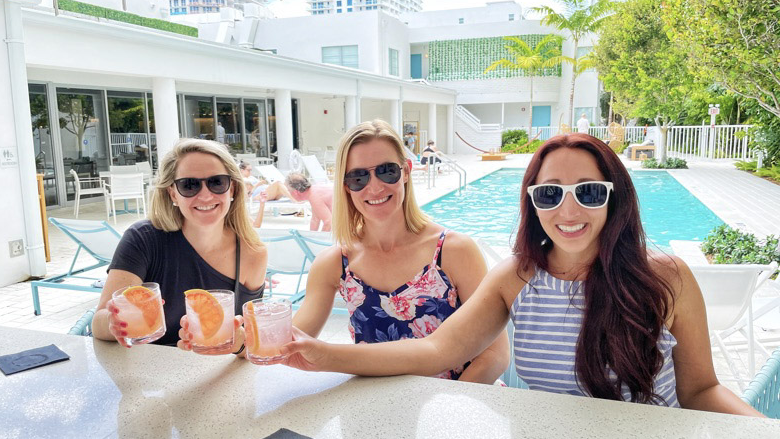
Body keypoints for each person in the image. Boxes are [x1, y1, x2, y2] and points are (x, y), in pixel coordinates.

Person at [277, 133, 762, 415]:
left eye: (588, 192)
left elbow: (701, 390)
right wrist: (321, 354)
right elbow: (436, 351)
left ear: (615, 197)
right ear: (532, 201)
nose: (568, 210)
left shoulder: (666, 278)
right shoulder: (517, 277)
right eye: (550, 193)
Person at [287, 120, 510, 383]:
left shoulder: (453, 251)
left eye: (387, 171)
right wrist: (245, 338)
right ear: (346, 186)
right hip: (376, 408)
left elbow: (495, 353)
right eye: (358, 177)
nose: (375, 187)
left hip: (457, 403)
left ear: (406, 171)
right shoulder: (336, 263)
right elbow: (292, 340)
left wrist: (450, 410)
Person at [91, 138, 268, 355]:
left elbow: (251, 345)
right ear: (172, 193)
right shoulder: (142, 240)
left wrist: (239, 343)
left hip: (213, 377)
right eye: (189, 185)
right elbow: (99, 322)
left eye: (217, 182)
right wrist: (114, 322)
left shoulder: (253, 254)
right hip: (146, 373)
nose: (205, 195)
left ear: (232, 189)